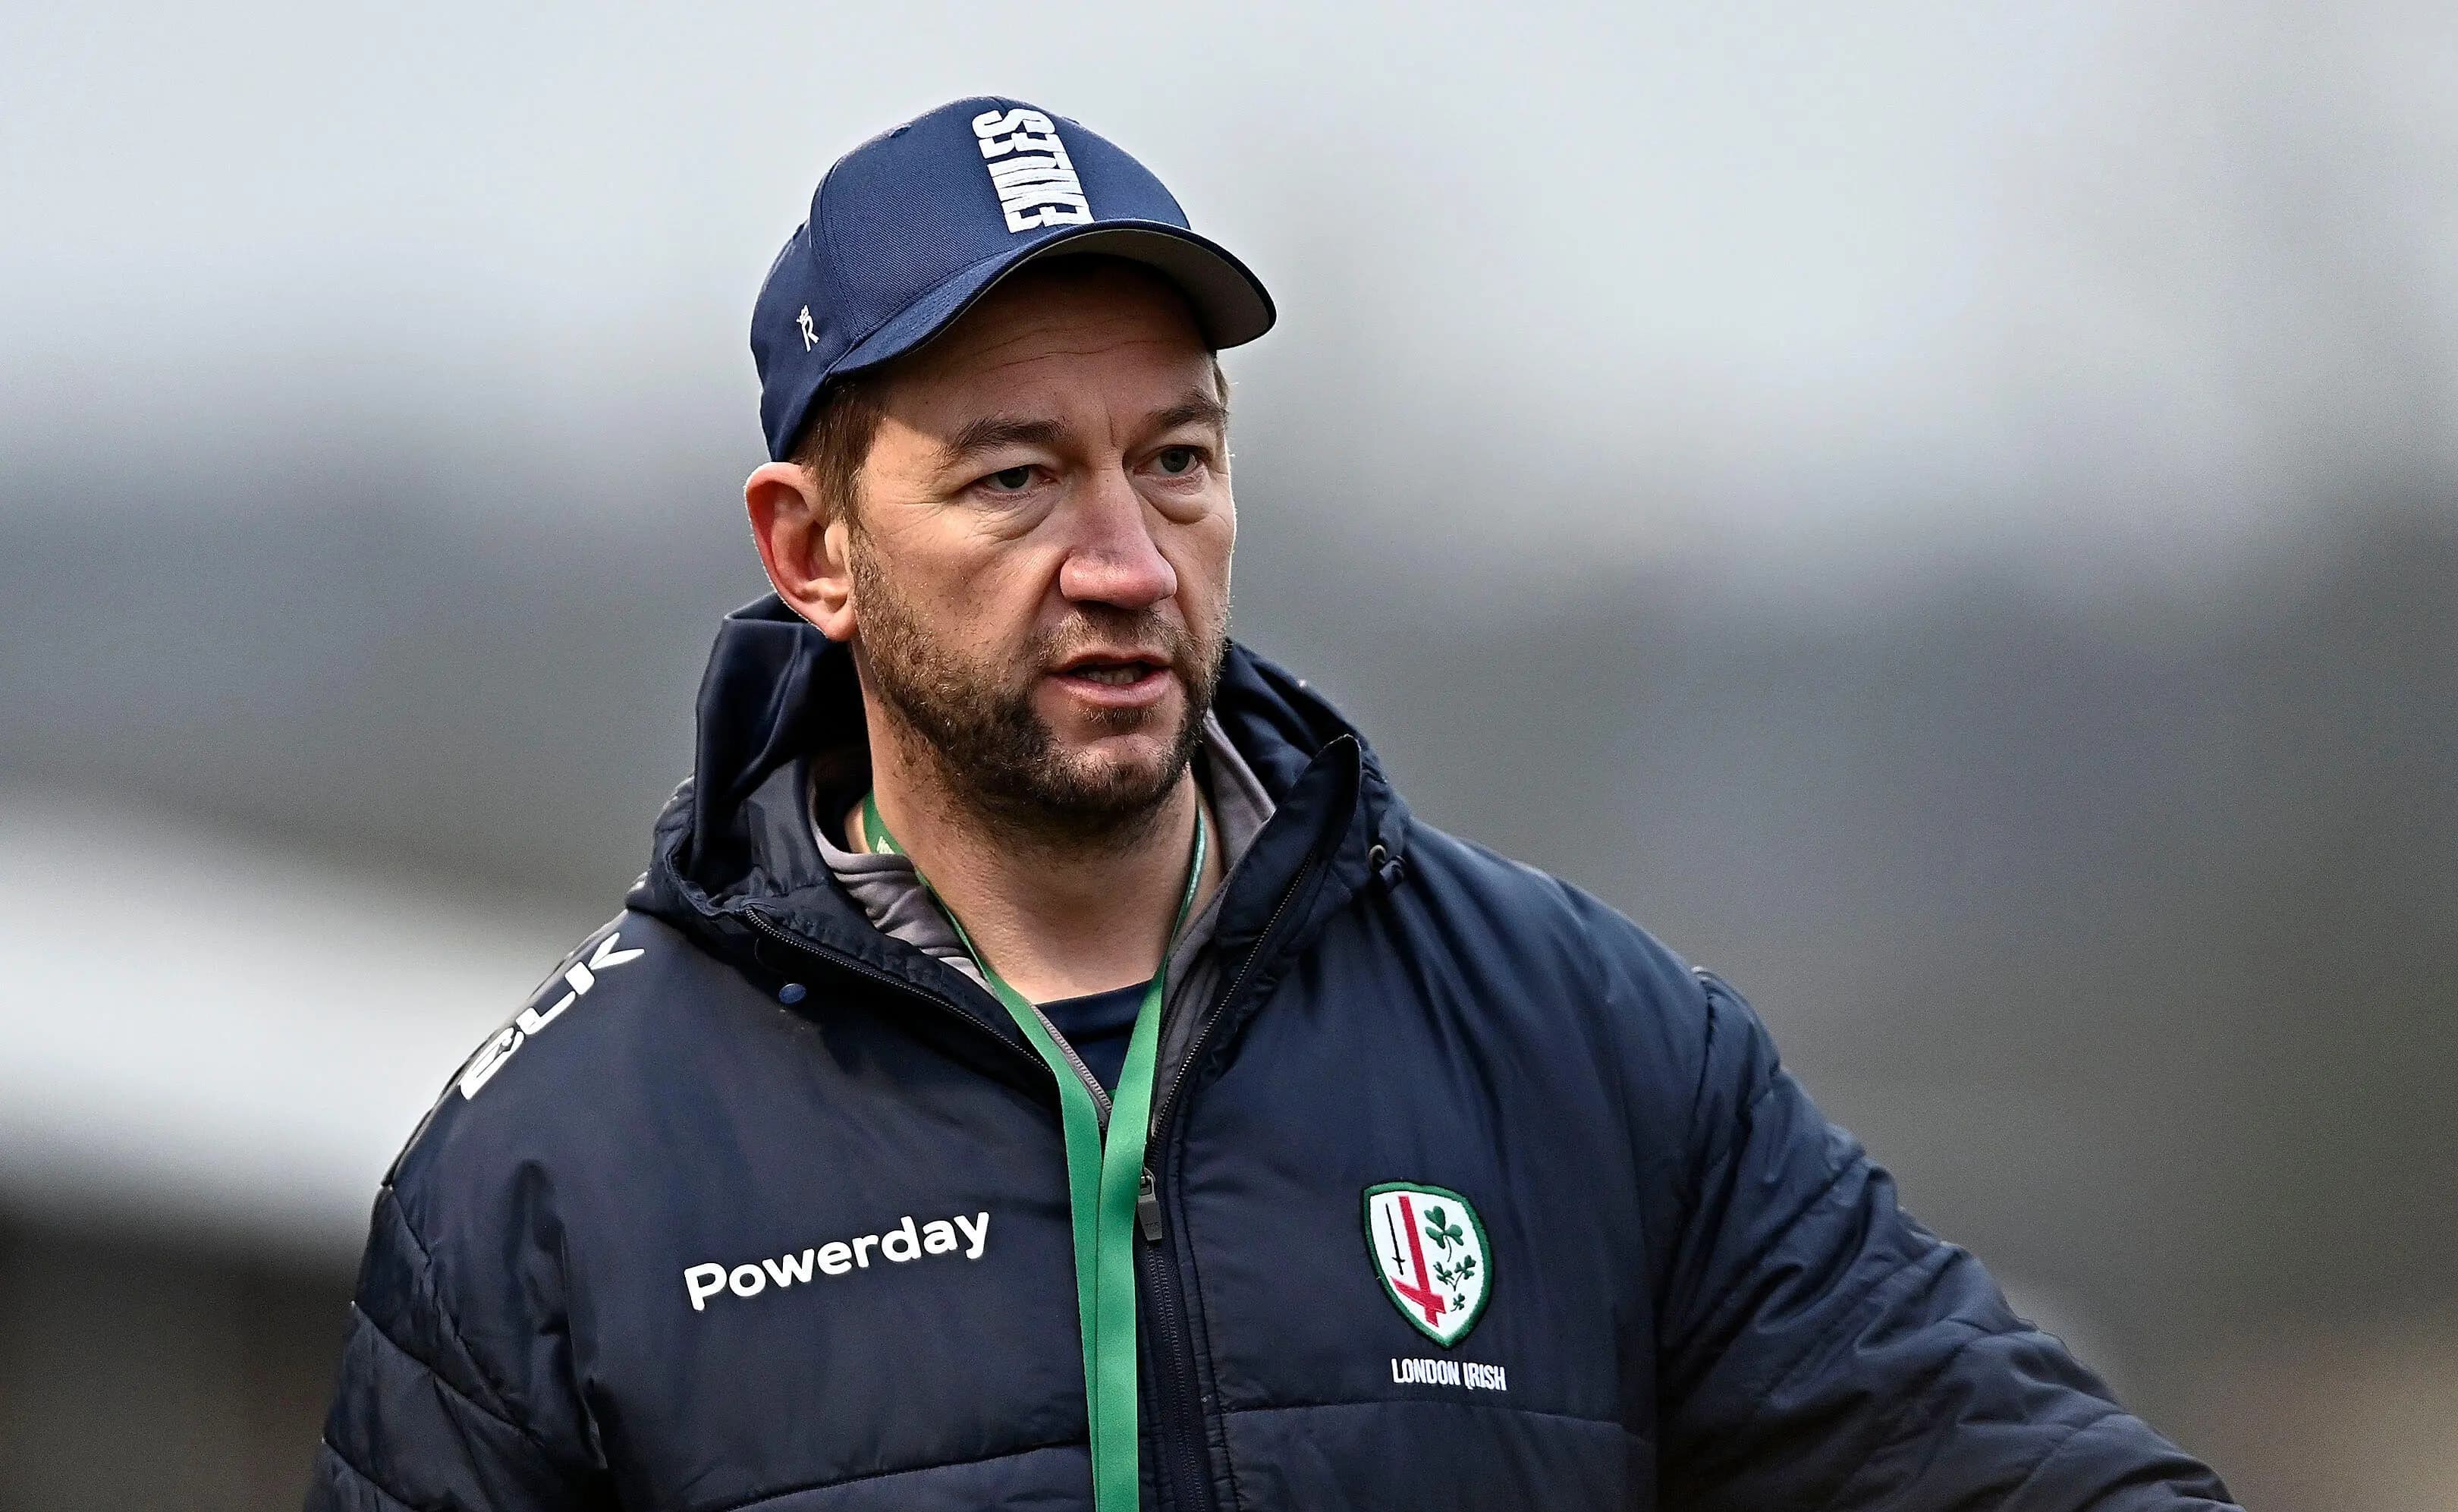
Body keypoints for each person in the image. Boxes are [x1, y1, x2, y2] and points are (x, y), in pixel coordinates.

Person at [306, 97, 2237, 1511]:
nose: (1129, 558)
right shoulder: (548, 1176)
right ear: (811, 548)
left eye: (1178, 459)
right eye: (1016, 480)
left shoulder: (1586, 1043)